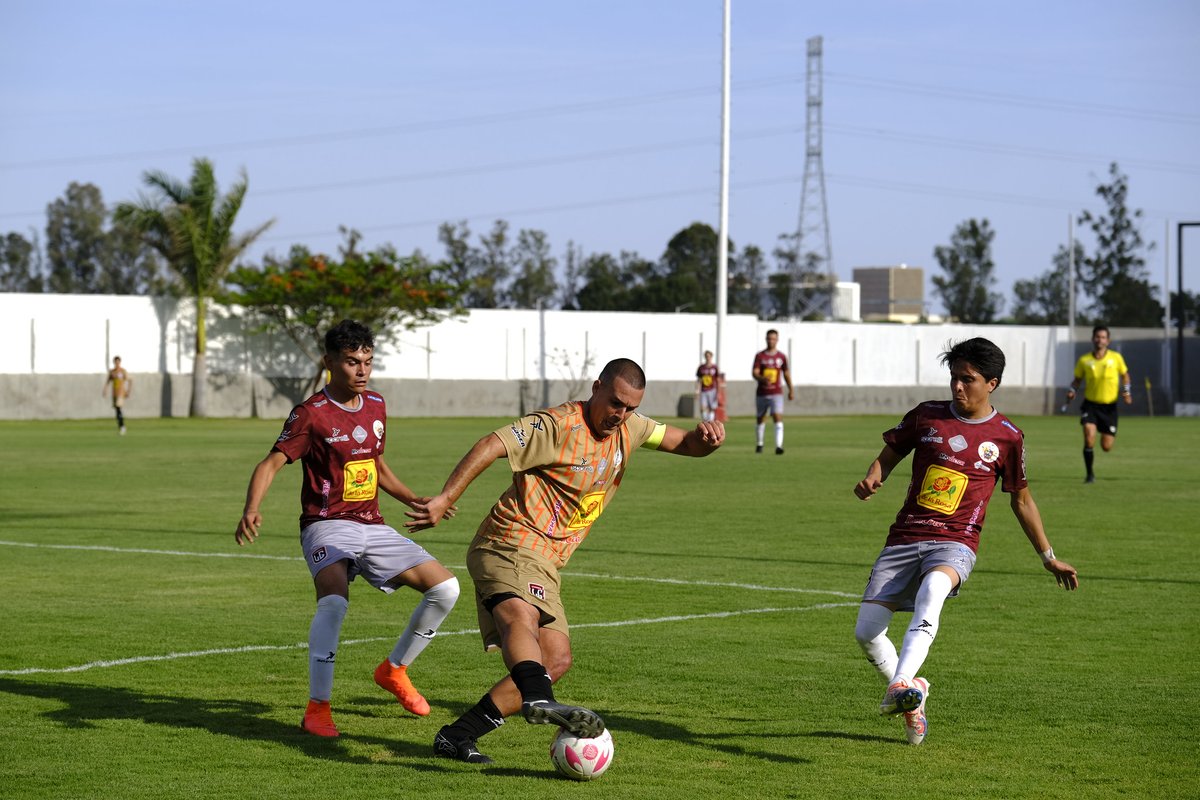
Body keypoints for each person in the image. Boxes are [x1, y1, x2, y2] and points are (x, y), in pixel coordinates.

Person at [405, 358, 725, 764]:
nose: (620, 415)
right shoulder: (557, 425)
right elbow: (491, 444)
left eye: (630, 407)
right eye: (614, 403)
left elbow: (687, 444)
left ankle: (459, 734)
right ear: (596, 388)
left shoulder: (632, 426)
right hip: (509, 542)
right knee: (522, 619)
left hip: (546, 561)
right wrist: (446, 498)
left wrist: (707, 441)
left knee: (555, 659)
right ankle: (540, 699)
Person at [234, 319, 460, 738]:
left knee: (446, 589)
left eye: (368, 362)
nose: (362, 370)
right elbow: (270, 463)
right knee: (334, 603)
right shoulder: (310, 414)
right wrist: (251, 508)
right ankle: (318, 707)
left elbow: (375, 466)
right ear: (329, 362)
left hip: (372, 524)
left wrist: (414, 499)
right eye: (352, 362)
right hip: (326, 525)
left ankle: (394, 671)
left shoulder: (376, 404)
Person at [851, 337, 1078, 746]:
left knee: (936, 586)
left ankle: (900, 681)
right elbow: (890, 452)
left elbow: (1022, 499)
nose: (957, 387)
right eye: (954, 378)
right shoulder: (927, 416)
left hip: (956, 541)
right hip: (905, 535)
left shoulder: (1008, 436)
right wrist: (874, 475)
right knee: (866, 632)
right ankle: (910, 696)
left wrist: (1048, 557)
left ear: (991, 383)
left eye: (967, 379)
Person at [1064, 324, 1131, 484]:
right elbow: (1077, 380)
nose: (1099, 340)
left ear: (1108, 341)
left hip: (1109, 407)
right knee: (1089, 436)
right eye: (1097, 337)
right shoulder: (1084, 360)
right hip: (1091, 405)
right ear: (1093, 339)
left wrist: (1127, 392)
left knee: (1106, 446)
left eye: (1103, 337)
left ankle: (1104, 431)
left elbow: (1125, 375)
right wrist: (1072, 390)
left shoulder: (1116, 358)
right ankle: (1090, 475)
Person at [752, 329, 793, 454]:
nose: (771, 341)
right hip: (762, 392)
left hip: (776, 392)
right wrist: (762, 378)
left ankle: (778, 446)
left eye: (773, 339)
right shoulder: (760, 356)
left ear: (777, 340)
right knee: (760, 419)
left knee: (777, 417)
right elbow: (755, 373)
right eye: (769, 338)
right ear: (766, 339)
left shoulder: (781, 357)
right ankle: (760, 444)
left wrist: (791, 389)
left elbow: (786, 373)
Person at [103, 356, 131, 435]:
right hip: (114, 393)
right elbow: (108, 381)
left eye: (118, 362)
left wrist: (128, 391)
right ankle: (121, 426)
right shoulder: (112, 372)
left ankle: (122, 426)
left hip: (121, 393)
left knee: (118, 408)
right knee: (117, 410)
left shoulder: (122, 371)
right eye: (115, 362)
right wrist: (105, 390)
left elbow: (129, 380)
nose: (117, 363)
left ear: (120, 362)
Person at [695, 350, 720, 423]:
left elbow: (718, 380)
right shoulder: (701, 368)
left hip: (712, 390)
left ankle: (711, 422)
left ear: (711, 357)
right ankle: (705, 421)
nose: (708, 358)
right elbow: (699, 380)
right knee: (702, 408)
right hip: (703, 390)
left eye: (709, 356)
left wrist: (718, 392)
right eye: (706, 356)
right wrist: (697, 391)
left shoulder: (715, 367)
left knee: (712, 408)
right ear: (705, 357)